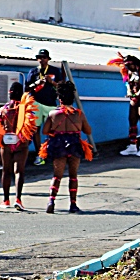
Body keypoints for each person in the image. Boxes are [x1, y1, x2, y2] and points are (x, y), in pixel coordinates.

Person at [42, 81, 93, 215]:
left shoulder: (53, 113)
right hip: (74, 144)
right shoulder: (78, 114)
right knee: (73, 176)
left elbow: (45, 131)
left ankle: (51, 201)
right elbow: (88, 131)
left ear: (59, 98)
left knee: (57, 175)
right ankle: (73, 204)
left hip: (58, 144)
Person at [0, 83, 33, 211]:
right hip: (21, 142)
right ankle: (18, 199)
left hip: (6, 142)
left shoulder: (3, 109)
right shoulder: (26, 108)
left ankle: (6, 199)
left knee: (6, 171)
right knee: (19, 171)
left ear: (9, 92)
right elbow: (31, 126)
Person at [25, 49, 63, 166]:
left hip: (51, 104)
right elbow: (27, 89)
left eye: (44, 57)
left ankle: (53, 152)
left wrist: (52, 82)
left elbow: (62, 87)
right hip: (36, 103)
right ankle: (39, 154)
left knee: (54, 130)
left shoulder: (55, 71)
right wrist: (36, 83)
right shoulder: (33, 71)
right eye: (40, 57)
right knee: (36, 130)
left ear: (48, 59)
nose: (42, 60)